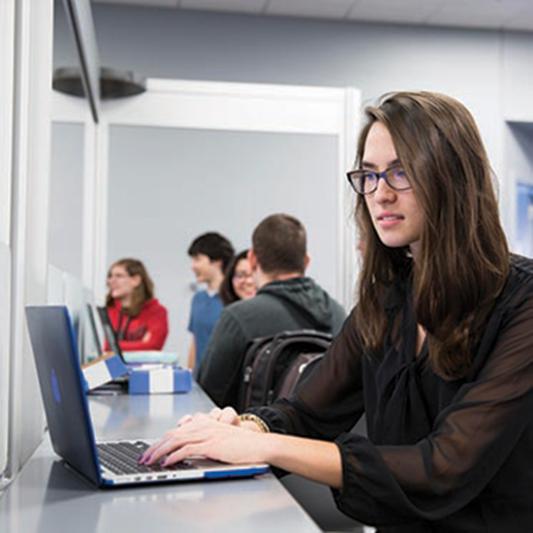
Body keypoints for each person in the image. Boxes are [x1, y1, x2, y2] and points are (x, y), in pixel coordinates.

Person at [141, 92, 533, 531]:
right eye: (369, 175)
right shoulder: (387, 300)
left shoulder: (523, 301)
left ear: (452, 178)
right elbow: (307, 412)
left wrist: (263, 449)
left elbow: (442, 466)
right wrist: (247, 428)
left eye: (401, 172)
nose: (379, 193)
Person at [196, 214, 346, 409]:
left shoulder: (238, 318)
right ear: (306, 261)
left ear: (252, 259)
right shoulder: (338, 314)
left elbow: (207, 397)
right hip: (326, 438)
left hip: (255, 435)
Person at [187, 232, 234, 374]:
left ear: (216, 261)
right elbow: (195, 342)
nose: (193, 266)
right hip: (200, 379)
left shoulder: (234, 299)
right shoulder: (198, 298)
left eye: (197, 259)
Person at [105, 258, 168, 351]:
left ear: (136, 280)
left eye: (119, 276)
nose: (111, 281)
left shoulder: (157, 311)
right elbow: (105, 346)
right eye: (110, 276)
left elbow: (153, 346)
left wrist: (114, 345)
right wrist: (141, 344)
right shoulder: (109, 311)